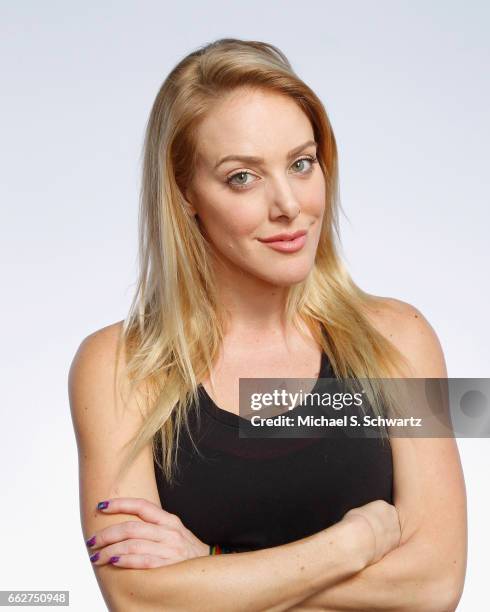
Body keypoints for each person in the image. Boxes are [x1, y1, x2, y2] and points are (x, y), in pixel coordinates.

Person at [68, 38, 467, 611]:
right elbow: (142, 602)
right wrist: (353, 543)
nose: (289, 205)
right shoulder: (119, 365)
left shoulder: (398, 339)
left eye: (301, 164)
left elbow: (433, 585)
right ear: (184, 194)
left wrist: (209, 567)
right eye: (242, 178)